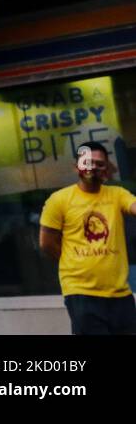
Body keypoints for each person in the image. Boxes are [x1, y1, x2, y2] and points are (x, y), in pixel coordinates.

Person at [39, 141, 136, 334]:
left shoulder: (117, 194)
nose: (93, 167)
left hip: (120, 293)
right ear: (77, 167)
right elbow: (47, 243)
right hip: (82, 293)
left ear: (107, 169)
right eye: (88, 162)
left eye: (100, 164)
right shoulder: (59, 200)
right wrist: (74, 261)